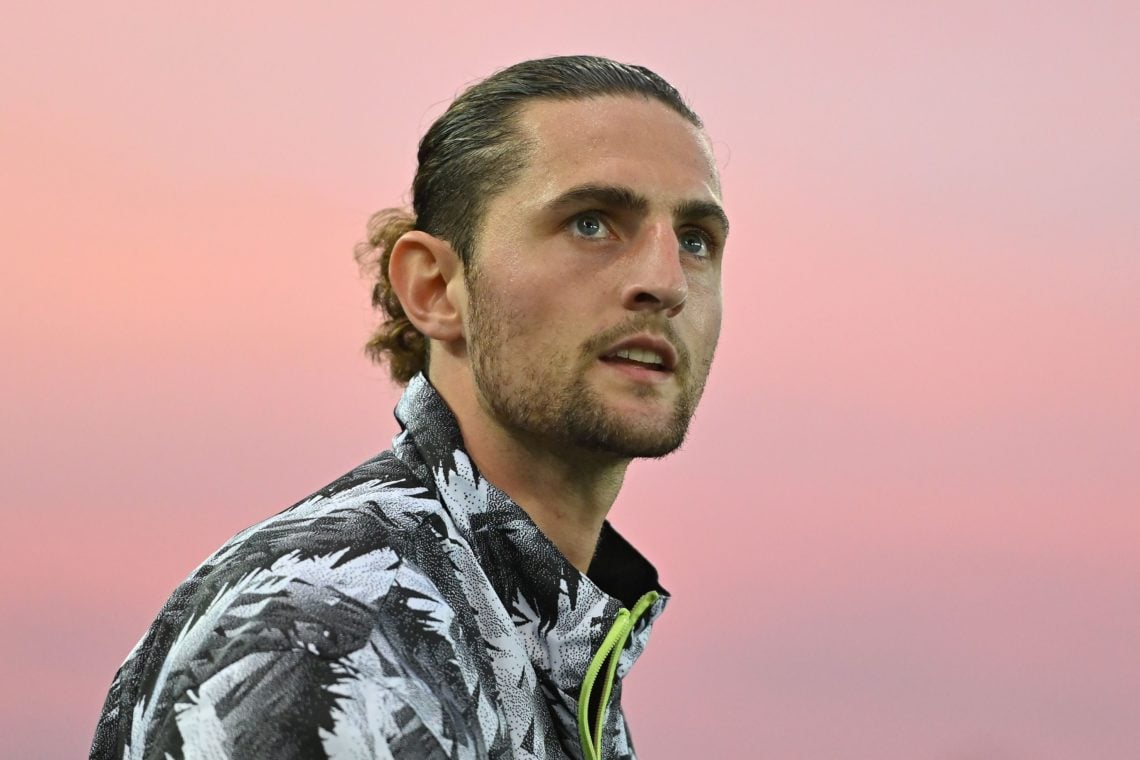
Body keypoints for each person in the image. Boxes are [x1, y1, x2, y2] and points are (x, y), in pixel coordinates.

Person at [91, 54, 729, 760]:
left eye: (696, 240)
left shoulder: (535, 636)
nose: (666, 282)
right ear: (433, 289)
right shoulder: (330, 636)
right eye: (591, 223)